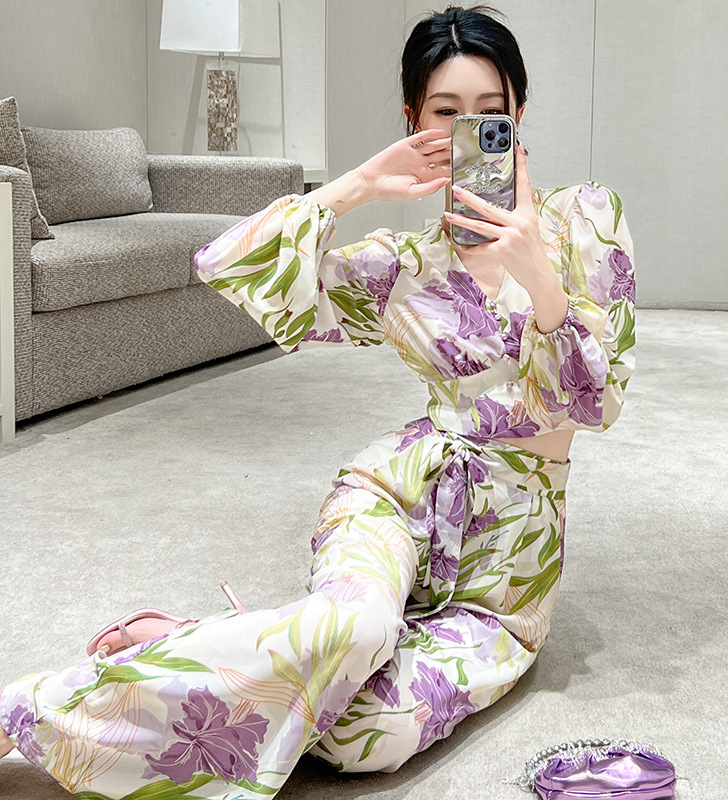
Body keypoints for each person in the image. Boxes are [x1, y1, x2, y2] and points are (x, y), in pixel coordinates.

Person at [0, 4, 636, 797]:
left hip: (506, 568)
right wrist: (356, 187)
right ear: (413, 120)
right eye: (444, 113)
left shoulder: (588, 219)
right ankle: (24, 712)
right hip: (398, 494)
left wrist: (538, 272)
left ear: (519, 115)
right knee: (355, 628)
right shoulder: (401, 266)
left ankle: (207, 639)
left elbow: (600, 402)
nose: (467, 134)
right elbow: (230, 265)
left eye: (489, 114)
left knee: (365, 733)